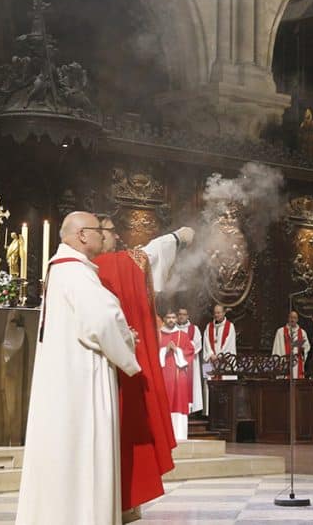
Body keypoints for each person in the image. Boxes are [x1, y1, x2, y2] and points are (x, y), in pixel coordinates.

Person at [16, 211, 140, 525]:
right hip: (82, 385)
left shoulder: (62, 271)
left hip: (63, 385)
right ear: (82, 234)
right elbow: (103, 321)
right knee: (84, 455)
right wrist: (128, 342)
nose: (105, 236)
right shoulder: (76, 273)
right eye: (100, 230)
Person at [92, 216, 195, 520]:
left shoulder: (84, 271)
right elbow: (149, 254)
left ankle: (118, 502)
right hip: (119, 365)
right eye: (110, 231)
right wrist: (178, 237)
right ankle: (123, 503)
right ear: (95, 234)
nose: (115, 237)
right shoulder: (111, 264)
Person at [159, 310, 196, 440]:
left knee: (179, 402)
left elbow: (190, 352)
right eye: (168, 317)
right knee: (163, 402)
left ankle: (179, 436)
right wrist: (164, 350)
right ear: (164, 319)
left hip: (179, 375)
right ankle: (163, 436)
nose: (171, 320)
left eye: (173, 317)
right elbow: (151, 354)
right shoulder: (157, 335)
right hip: (162, 376)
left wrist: (176, 350)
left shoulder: (183, 335)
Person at [176, 307, 203, 414]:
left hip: (191, 362)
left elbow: (198, 345)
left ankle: (191, 409)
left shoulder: (194, 329)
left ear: (187, 316)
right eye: (180, 314)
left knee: (191, 385)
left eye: (184, 314)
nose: (181, 316)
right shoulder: (174, 329)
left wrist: (187, 352)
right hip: (177, 363)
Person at [272, 310, 310, 379]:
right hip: (284, 363)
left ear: (297, 320)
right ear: (288, 318)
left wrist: (302, 349)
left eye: (294, 318)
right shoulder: (280, 332)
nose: (292, 320)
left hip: (298, 363)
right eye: (291, 317)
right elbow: (276, 348)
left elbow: (307, 348)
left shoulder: (302, 332)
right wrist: (278, 363)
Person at [203, 303, 236, 380]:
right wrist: (211, 355)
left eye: (218, 313)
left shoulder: (230, 326)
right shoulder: (209, 326)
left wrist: (219, 356)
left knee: (225, 386)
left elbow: (229, 345)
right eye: (215, 313)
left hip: (224, 362)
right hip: (210, 360)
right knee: (209, 385)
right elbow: (206, 342)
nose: (216, 315)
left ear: (224, 313)